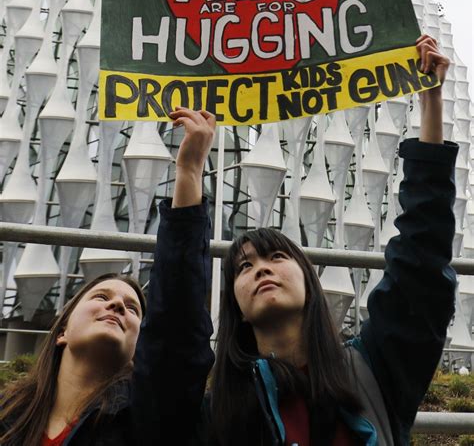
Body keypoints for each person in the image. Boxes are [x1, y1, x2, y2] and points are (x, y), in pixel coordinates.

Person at [165, 35, 456, 446]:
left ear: (310, 280)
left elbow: (421, 267)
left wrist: (431, 102)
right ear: (235, 305)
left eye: (277, 256)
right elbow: (174, 325)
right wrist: (190, 173)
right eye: (244, 267)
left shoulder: (374, 371)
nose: (261, 267)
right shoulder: (222, 414)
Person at [0, 109, 216, 445]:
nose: (117, 305)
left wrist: (189, 171)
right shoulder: (8, 418)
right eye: (101, 297)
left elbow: (177, 320)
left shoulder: (145, 419)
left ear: (138, 349)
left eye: (133, 309)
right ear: (61, 331)